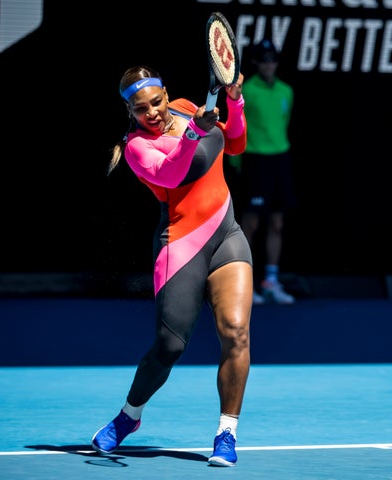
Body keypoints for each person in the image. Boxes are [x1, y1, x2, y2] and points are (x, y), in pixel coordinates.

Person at [92, 65, 250, 467]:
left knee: (236, 333)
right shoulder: (135, 148)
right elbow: (176, 172)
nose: (153, 114)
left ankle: (226, 432)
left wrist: (234, 100)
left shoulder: (185, 108)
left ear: (167, 94)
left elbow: (235, 145)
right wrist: (195, 131)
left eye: (157, 102)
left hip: (228, 235)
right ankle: (130, 416)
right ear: (130, 112)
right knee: (169, 348)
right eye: (141, 109)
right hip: (182, 244)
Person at [238, 38, 297, 305]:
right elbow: (239, 128)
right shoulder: (247, 91)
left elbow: (283, 124)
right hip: (255, 162)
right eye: (264, 59)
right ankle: (244, 284)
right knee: (250, 224)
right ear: (255, 63)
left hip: (280, 161)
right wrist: (240, 164)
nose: (269, 64)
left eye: (272, 59)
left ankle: (270, 282)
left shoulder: (286, 91)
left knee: (277, 223)